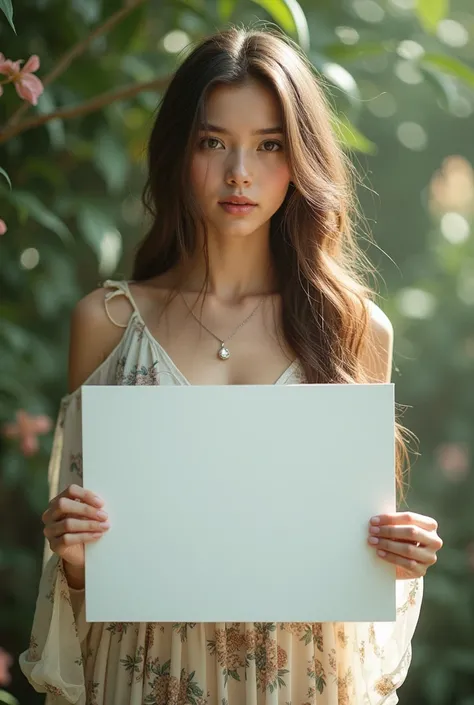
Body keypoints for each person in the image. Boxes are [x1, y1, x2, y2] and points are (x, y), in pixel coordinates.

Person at [19, 26, 443, 705]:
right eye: (213, 142)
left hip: (303, 680)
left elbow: (359, 589)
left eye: (269, 145)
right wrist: (73, 557)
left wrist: (398, 558)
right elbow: (83, 581)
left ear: (300, 157)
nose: (239, 172)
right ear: (178, 154)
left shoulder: (354, 329)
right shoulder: (107, 322)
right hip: (142, 673)